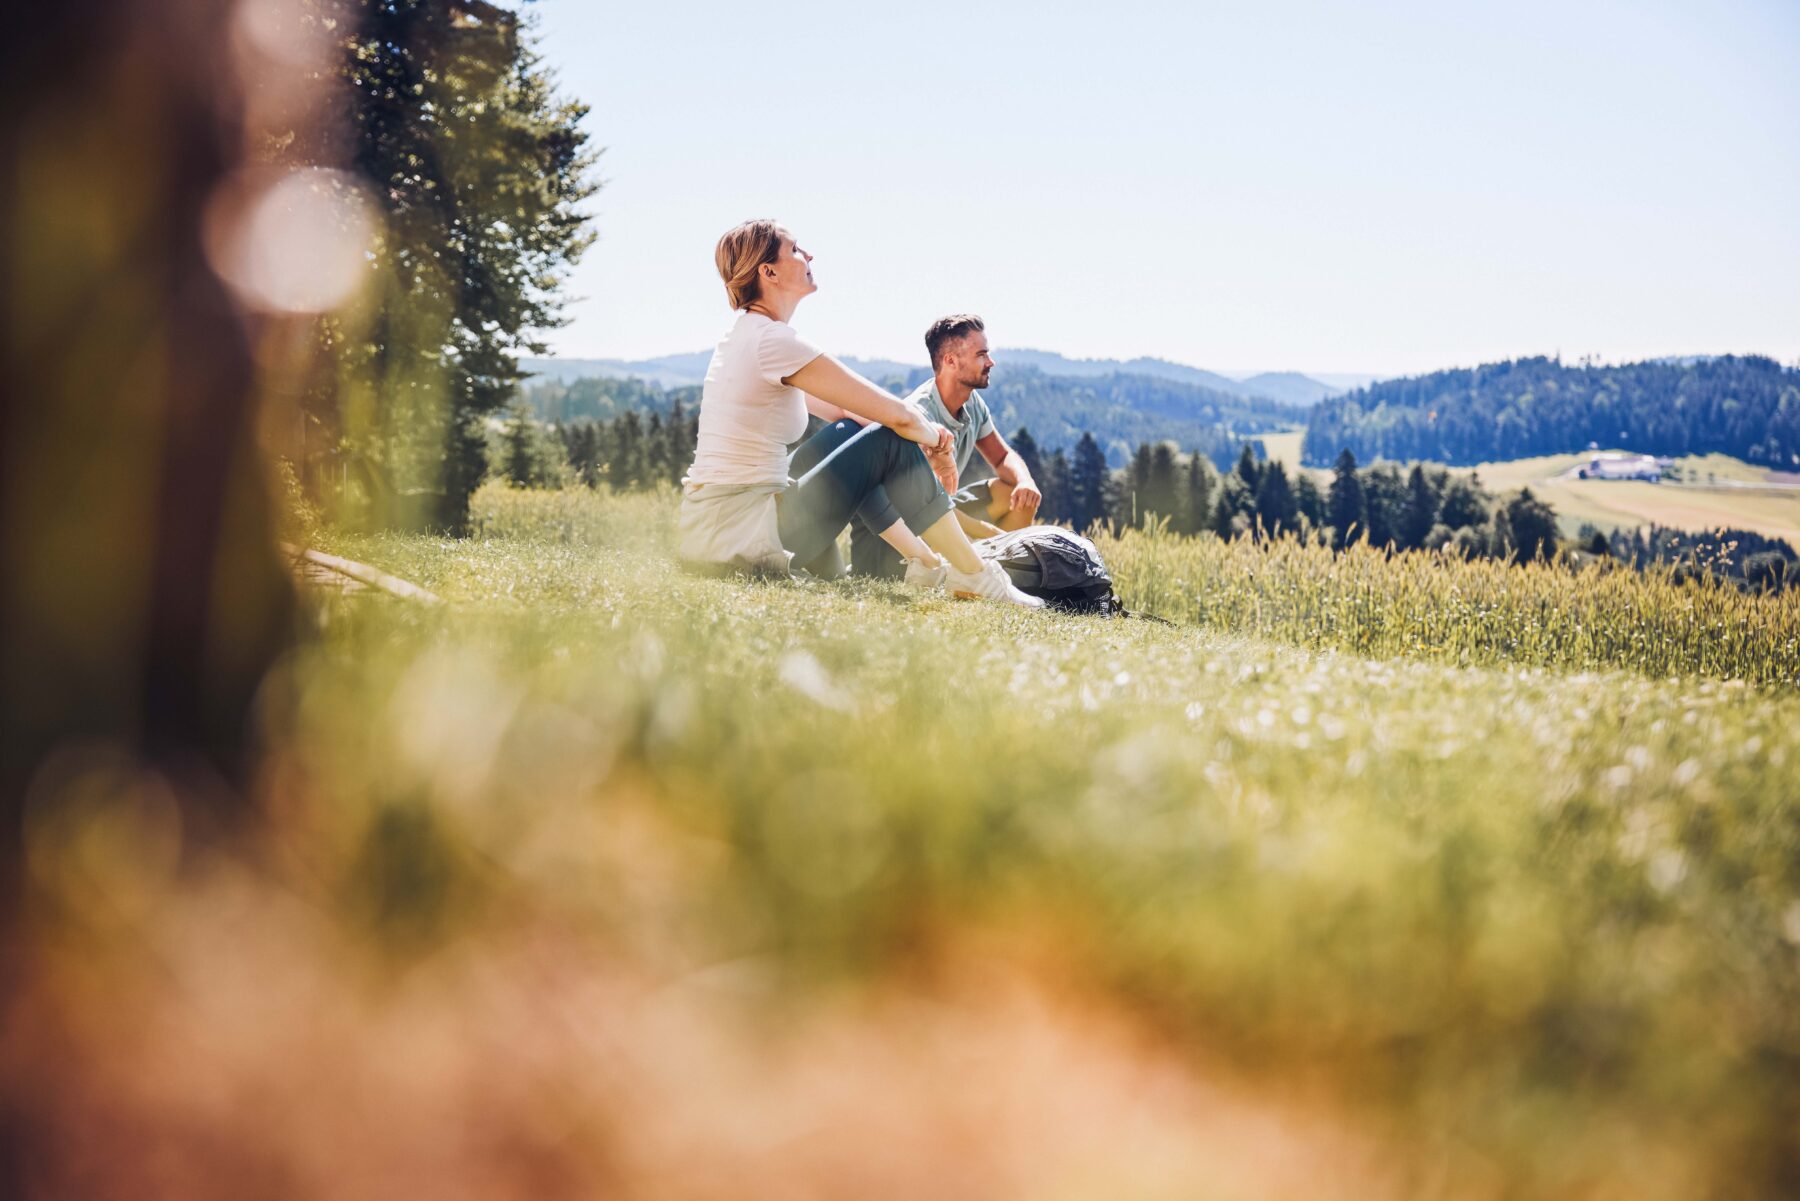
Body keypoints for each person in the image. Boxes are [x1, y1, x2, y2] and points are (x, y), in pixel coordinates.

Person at [677, 220, 1042, 608]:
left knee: (849, 430)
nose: (808, 255)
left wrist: (921, 441)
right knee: (887, 440)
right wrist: (938, 442)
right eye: (795, 249)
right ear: (768, 272)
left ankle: (926, 561)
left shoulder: (750, 335)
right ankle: (976, 574)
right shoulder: (772, 341)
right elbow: (897, 417)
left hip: (721, 528)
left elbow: (846, 410)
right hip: (740, 535)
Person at [851, 314, 1042, 579]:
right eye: (981, 355)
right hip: (901, 533)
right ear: (950, 361)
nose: (990, 362)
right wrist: (993, 535)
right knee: (981, 529)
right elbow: (923, 504)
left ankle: (1010, 576)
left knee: (1017, 496)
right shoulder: (919, 416)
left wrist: (1025, 481)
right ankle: (990, 568)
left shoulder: (972, 403)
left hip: (940, 507)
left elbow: (1001, 458)